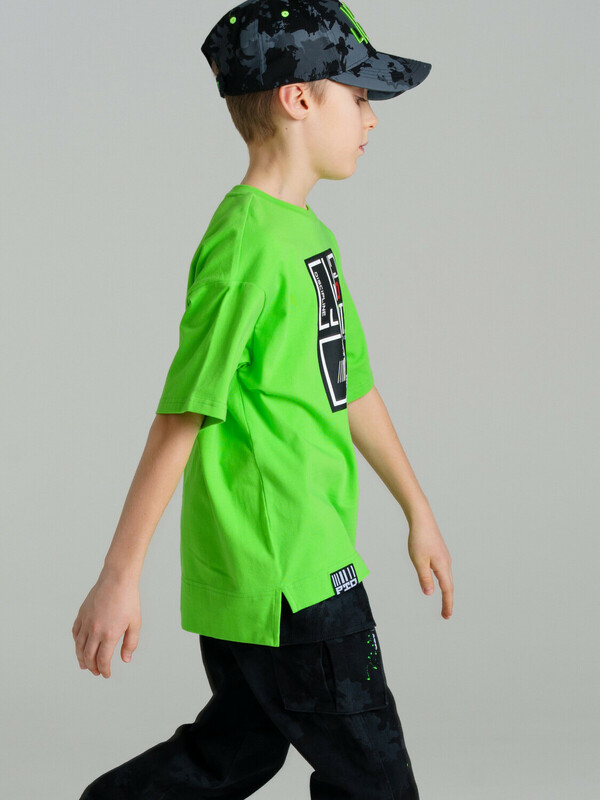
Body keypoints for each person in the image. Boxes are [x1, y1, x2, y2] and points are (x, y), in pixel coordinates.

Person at [72, 1, 454, 798]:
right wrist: (119, 574)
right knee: (376, 783)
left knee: (236, 752)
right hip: (293, 576)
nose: (372, 120)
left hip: (287, 568)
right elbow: (184, 411)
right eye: (359, 96)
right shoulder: (246, 240)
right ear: (298, 98)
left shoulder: (308, 235)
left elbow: (351, 386)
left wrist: (417, 509)